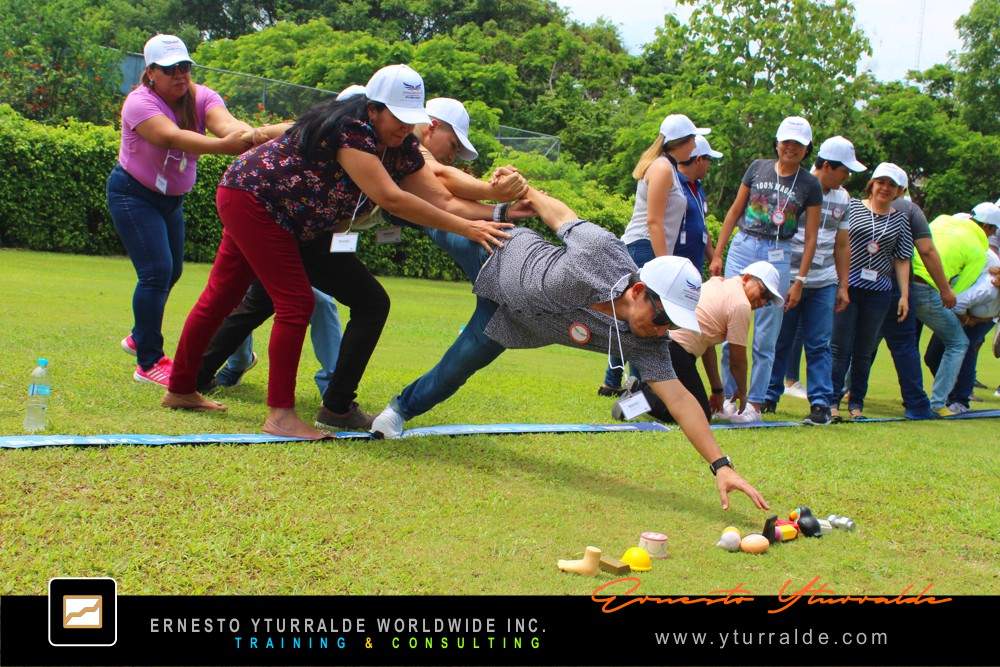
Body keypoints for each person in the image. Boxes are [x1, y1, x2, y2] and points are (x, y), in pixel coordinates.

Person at [162, 64, 513, 439]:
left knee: (358, 300)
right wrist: (467, 227)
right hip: (256, 201)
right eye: (396, 116)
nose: (403, 127)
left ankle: (193, 390)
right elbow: (390, 197)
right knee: (291, 303)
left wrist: (501, 205)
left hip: (298, 222)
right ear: (374, 108)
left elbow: (441, 196)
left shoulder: (403, 146)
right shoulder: (352, 129)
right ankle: (277, 414)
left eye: (410, 118)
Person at [369, 187, 770, 512]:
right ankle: (387, 201)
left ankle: (398, 410)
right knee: (439, 226)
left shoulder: (645, 341)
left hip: (510, 322)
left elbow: (681, 400)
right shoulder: (602, 253)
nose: (664, 330)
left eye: (673, 324)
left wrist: (721, 465)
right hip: (499, 252)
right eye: (663, 317)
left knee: (454, 371)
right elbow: (560, 215)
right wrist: (525, 189)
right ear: (638, 291)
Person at [107, 34, 254, 386]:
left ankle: (139, 333)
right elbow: (170, 137)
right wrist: (226, 146)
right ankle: (148, 360)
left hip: (170, 200)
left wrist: (249, 135)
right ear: (151, 72)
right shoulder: (139, 103)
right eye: (171, 69)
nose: (180, 75)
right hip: (133, 194)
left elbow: (227, 124)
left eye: (185, 67)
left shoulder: (202, 97)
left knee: (170, 272)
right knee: (157, 272)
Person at [709, 116, 823, 422]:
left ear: (806, 148)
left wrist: (800, 279)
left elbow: (810, 236)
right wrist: (718, 253)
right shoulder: (757, 167)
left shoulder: (810, 184)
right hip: (744, 244)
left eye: (798, 144)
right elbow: (734, 210)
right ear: (777, 142)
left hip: (778, 252)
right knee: (728, 321)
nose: (790, 148)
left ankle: (755, 404)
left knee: (766, 333)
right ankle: (729, 399)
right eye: (786, 141)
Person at [599, 113, 707, 397]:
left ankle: (622, 382)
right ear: (681, 142)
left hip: (648, 246)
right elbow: (654, 221)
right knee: (644, 317)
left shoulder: (668, 167)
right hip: (644, 246)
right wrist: (663, 263)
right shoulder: (661, 168)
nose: (695, 144)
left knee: (634, 318)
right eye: (692, 138)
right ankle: (634, 383)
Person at [763, 136, 865, 425]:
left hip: (823, 281)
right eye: (844, 170)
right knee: (779, 340)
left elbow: (842, 245)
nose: (847, 177)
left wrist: (843, 285)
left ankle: (820, 403)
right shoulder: (797, 187)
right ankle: (769, 395)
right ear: (828, 166)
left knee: (820, 343)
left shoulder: (843, 198)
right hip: (789, 277)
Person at [628, 261, 783, 425]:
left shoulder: (720, 284)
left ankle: (636, 399)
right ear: (746, 278)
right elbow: (737, 360)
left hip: (670, 343)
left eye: (769, 299)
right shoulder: (741, 304)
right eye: (764, 292)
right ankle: (639, 394)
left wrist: (717, 389)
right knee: (699, 413)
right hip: (677, 348)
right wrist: (743, 392)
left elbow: (707, 346)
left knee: (694, 406)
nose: (763, 302)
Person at [829, 164, 913, 421]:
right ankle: (831, 401)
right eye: (881, 182)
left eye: (892, 185)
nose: (885, 189)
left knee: (864, 350)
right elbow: (837, 242)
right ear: (872, 183)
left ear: (899, 191)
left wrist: (904, 295)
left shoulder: (900, 218)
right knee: (839, 346)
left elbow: (902, 258)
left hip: (879, 291)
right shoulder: (852, 207)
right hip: (849, 285)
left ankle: (856, 403)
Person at [872, 164, 953, 420]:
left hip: (865, 283)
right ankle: (917, 404)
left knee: (862, 342)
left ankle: (844, 394)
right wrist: (945, 289)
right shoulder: (910, 210)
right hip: (894, 284)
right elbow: (926, 251)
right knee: (904, 344)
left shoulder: (857, 206)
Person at [910, 207, 990, 415]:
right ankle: (937, 404)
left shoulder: (943, 219)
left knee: (875, 337)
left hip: (899, 279)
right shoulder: (978, 249)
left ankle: (847, 392)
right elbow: (956, 295)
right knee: (958, 342)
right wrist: (966, 317)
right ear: (988, 227)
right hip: (925, 289)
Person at [925, 247, 1000, 413]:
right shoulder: (987, 289)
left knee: (967, 350)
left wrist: (981, 320)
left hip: (981, 319)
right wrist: (967, 319)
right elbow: (957, 304)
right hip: (959, 312)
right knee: (932, 356)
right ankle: (950, 392)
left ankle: (960, 400)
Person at [675, 134, 723, 271]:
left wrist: (713, 258)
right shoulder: (674, 184)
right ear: (699, 160)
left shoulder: (698, 187)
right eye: (709, 159)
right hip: (675, 266)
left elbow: (702, 225)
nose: (710, 165)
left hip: (694, 268)